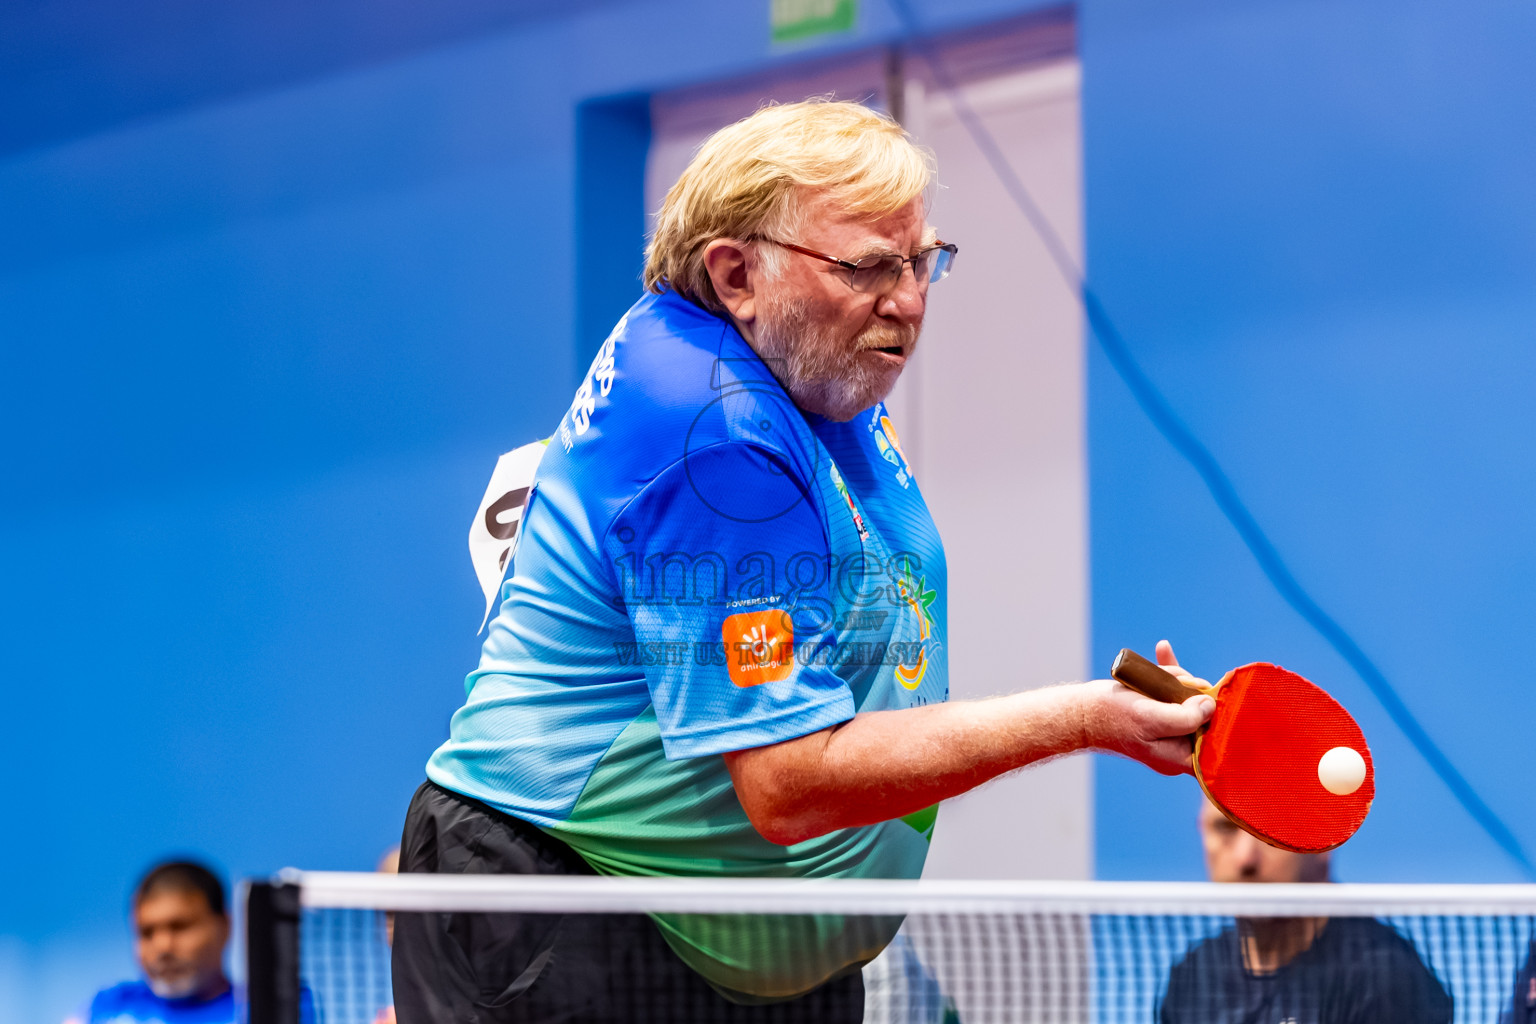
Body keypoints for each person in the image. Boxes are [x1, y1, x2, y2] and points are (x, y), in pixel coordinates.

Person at [394, 98, 1215, 1023]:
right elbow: (789, 783)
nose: (907, 299)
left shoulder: (807, 373)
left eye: (921, 260)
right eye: (867, 266)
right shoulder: (720, 438)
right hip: (568, 904)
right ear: (735, 272)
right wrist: (1085, 719)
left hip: (729, 938)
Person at [1157, 797, 1452, 1023]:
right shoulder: (1194, 977)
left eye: (1268, 829)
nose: (1245, 858)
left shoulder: (1386, 978)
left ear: (1323, 842)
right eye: (1225, 827)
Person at [63, 859, 316, 1024]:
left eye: (180, 927)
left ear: (224, 926)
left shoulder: (274, 1008)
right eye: (147, 932)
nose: (162, 947)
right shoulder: (108, 1007)